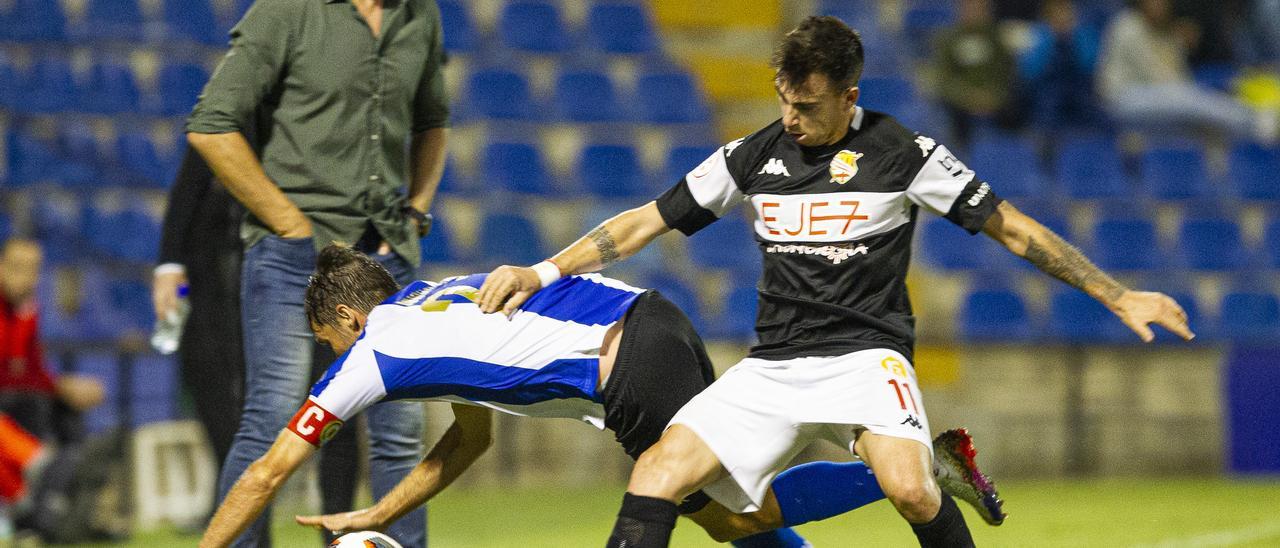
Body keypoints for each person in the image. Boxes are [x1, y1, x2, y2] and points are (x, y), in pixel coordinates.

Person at [476, 15, 1194, 548]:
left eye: (808, 106)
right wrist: (539, 270)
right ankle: (933, 467)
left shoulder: (905, 154)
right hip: (774, 366)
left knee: (908, 490)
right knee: (680, 488)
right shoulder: (753, 155)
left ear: (849, 96)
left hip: (865, 358)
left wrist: (1116, 293)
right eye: (784, 101)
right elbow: (642, 223)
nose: (791, 119)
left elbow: (1013, 228)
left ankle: (928, 473)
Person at [198, 245, 1002, 548]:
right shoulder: (435, 306)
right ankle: (915, 470)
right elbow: (469, 441)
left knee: (732, 517)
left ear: (344, 318)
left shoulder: (374, 351)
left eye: (327, 342)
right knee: (729, 511)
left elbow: (271, 470)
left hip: (628, 366)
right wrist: (379, 517)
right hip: (650, 324)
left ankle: (916, 472)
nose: (330, 360)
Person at [184, 0, 451, 545]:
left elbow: (433, 122)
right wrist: (288, 222)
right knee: (272, 420)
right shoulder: (286, 10)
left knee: (399, 432)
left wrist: (418, 206)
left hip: (385, 255)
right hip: (291, 257)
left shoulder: (421, 14)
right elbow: (210, 126)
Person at [1097, 0, 1278, 141]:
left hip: (1159, 101)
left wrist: (1178, 44)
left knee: (1202, 125)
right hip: (1122, 99)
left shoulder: (1166, 32)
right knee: (1186, 97)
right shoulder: (1129, 25)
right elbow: (1163, 81)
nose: (1158, 6)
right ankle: (1255, 121)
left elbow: (1177, 77)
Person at [0, 238, 104, 445]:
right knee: (31, 403)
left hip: (21, 395)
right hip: (12, 399)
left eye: (34, 269)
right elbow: (10, 372)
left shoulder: (26, 309)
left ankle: (73, 469)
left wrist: (65, 387)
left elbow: (30, 369)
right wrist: (62, 387)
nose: (28, 278)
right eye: (17, 268)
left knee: (67, 409)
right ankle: (41, 466)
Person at [933, 0, 1024, 149]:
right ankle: (960, 155)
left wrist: (992, 98)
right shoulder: (949, 40)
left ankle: (1008, 155)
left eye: (978, 9)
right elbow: (944, 78)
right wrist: (967, 97)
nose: (973, 13)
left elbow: (1007, 75)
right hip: (961, 102)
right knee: (952, 116)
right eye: (969, 8)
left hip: (994, 100)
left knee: (1016, 108)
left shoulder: (998, 39)